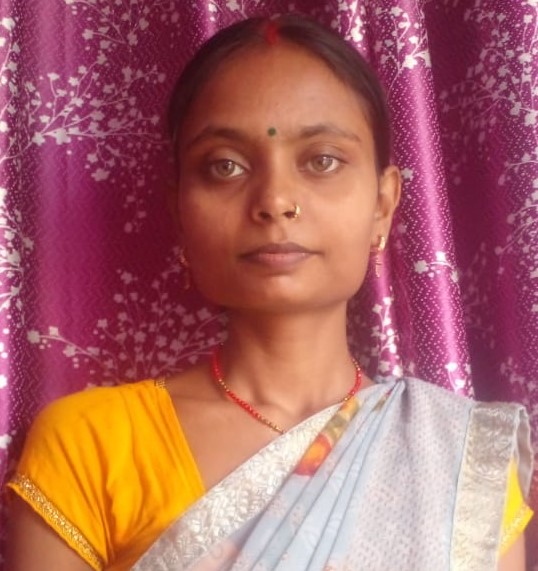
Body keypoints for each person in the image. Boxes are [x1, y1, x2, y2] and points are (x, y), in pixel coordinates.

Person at [5, 14, 534, 571]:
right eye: (225, 166)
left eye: (323, 161)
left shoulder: (461, 462)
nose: (276, 200)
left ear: (383, 205)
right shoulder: (93, 444)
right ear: (178, 209)